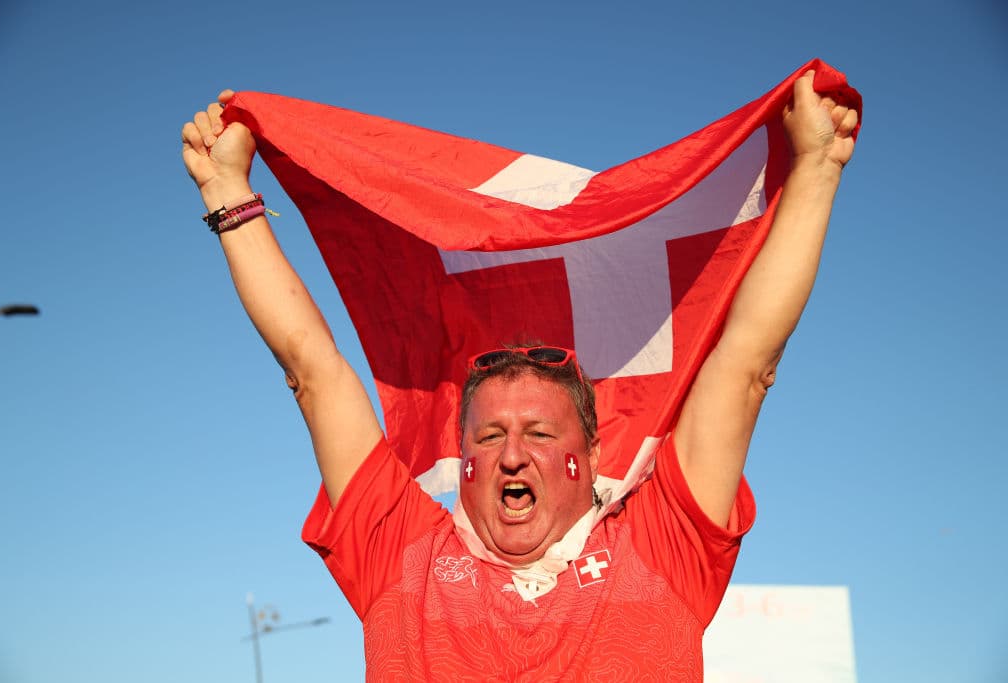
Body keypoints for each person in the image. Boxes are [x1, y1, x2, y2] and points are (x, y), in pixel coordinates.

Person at [181, 71, 857, 681]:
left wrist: (818, 168)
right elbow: (312, 370)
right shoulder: (402, 555)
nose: (510, 454)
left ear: (592, 453)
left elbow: (746, 364)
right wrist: (226, 191)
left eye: (539, 432)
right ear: (463, 456)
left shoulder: (660, 548)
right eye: (489, 435)